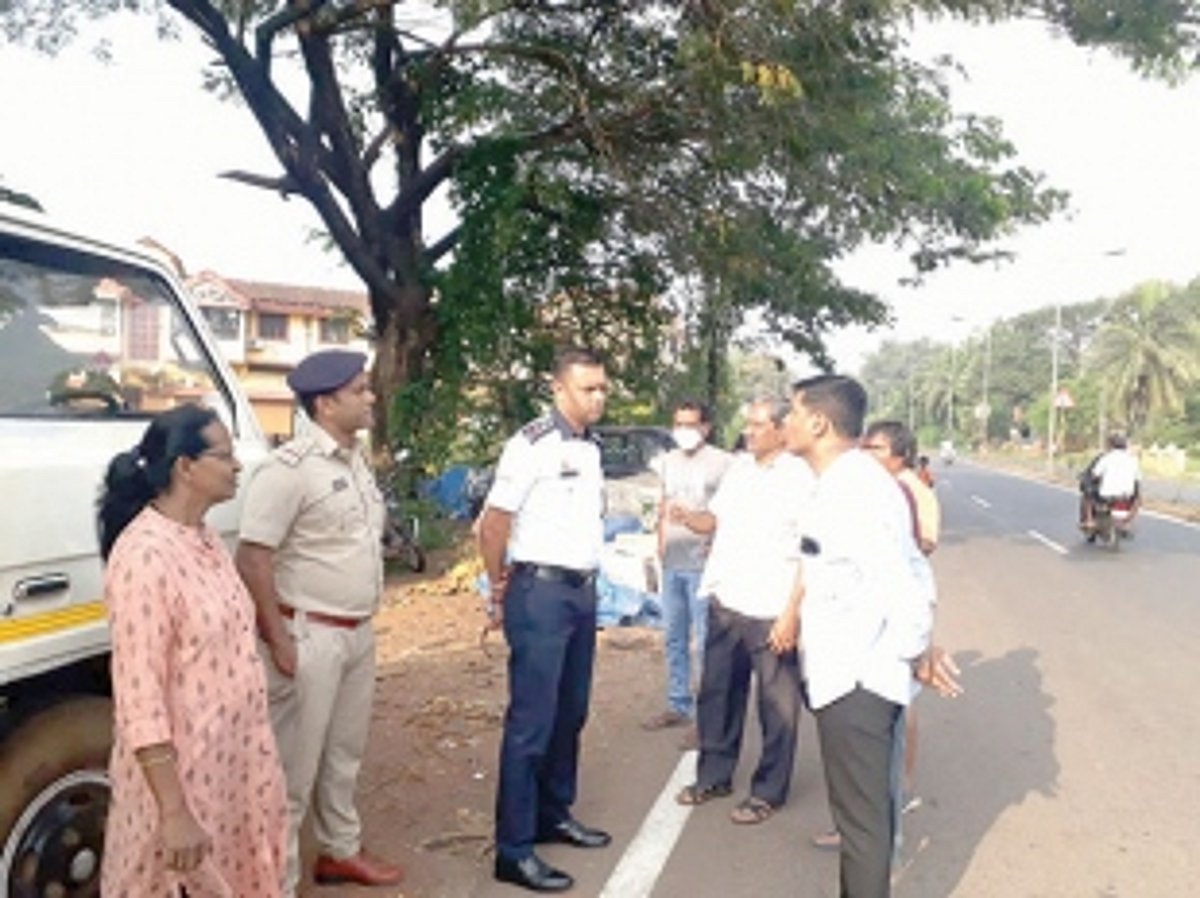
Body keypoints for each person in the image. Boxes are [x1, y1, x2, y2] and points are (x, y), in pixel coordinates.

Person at [97, 404, 286, 896]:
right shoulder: (144, 557)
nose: (238, 466)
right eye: (225, 456)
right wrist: (175, 812)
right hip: (181, 786)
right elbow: (141, 699)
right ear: (186, 467)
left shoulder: (203, 539)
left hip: (230, 769)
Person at [235, 350, 402, 895]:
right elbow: (253, 558)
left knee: (344, 754)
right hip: (309, 635)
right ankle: (275, 882)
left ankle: (339, 851)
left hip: (355, 632)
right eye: (359, 390)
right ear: (326, 403)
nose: (370, 397)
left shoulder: (354, 459)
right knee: (291, 772)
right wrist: (278, 638)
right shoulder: (288, 471)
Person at [784, 375, 934, 898]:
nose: (787, 423)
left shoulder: (856, 490)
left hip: (859, 680)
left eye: (792, 413)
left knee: (863, 829)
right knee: (864, 823)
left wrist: (915, 651)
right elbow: (912, 568)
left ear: (819, 422)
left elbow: (904, 577)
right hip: (848, 673)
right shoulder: (844, 483)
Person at [477, 347, 613, 893]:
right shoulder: (532, 444)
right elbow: (493, 525)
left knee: (571, 711)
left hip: (581, 593)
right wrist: (498, 588)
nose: (598, 397)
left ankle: (553, 813)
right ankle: (513, 849)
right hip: (540, 594)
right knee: (531, 723)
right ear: (558, 389)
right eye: (588, 389)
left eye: (603, 387)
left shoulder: (591, 447)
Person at [673, 397, 814, 826]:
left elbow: (812, 552)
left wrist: (793, 613)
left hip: (771, 608)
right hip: (727, 600)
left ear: (779, 429)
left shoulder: (801, 477)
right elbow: (715, 521)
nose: (748, 431)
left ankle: (768, 790)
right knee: (717, 693)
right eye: (747, 424)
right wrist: (687, 517)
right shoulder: (740, 469)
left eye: (757, 425)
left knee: (777, 704)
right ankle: (714, 775)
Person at [813, 420, 950, 853]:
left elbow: (913, 561)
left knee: (886, 742)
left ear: (899, 456)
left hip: (889, 639)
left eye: (875, 448)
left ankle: (882, 834)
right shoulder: (864, 487)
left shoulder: (902, 493)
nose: (864, 453)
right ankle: (868, 830)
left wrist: (918, 646)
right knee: (864, 762)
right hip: (868, 633)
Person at [641, 399, 732, 733]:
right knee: (674, 637)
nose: (684, 431)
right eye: (678, 424)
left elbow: (732, 511)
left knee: (705, 641)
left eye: (691, 425)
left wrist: (719, 544)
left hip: (703, 564)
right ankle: (678, 703)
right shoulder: (667, 462)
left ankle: (706, 717)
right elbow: (661, 506)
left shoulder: (724, 464)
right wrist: (659, 545)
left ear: (705, 428)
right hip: (673, 562)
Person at [1079, 432, 1142, 535]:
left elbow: (1095, 474)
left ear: (1110, 445)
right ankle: (1127, 522)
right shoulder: (1133, 460)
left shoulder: (1106, 458)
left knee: (1087, 495)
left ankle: (1090, 520)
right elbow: (1138, 478)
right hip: (1126, 495)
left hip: (1106, 494)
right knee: (1138, 500)